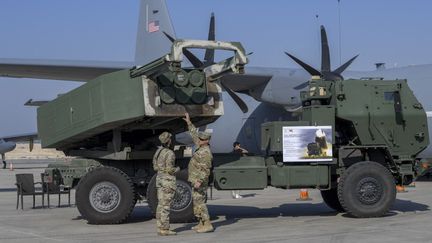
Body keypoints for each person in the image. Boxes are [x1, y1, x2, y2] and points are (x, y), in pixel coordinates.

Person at [183, 113, 214, 233]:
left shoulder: (206, 153)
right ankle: (201, 223)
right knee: (197, 202)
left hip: (199, 181)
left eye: (201, 139)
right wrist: (189, 122)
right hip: (195, 179)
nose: (198, 140)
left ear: (205, 141)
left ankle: (207, 224)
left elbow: (206, 169)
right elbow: (194, 135)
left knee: (200, 202)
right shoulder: (201, 146)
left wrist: (199, 181)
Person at [153, 131, 179, 236]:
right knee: (166, 205)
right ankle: (165, 229)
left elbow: (155, 167)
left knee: (160, 204)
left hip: (159, 178)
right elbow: (170, 169)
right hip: (167, 181)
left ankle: (160, 227)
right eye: (170, 139)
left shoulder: (158, 152)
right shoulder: (170, 153)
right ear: (168, 141)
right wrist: (178, 169)